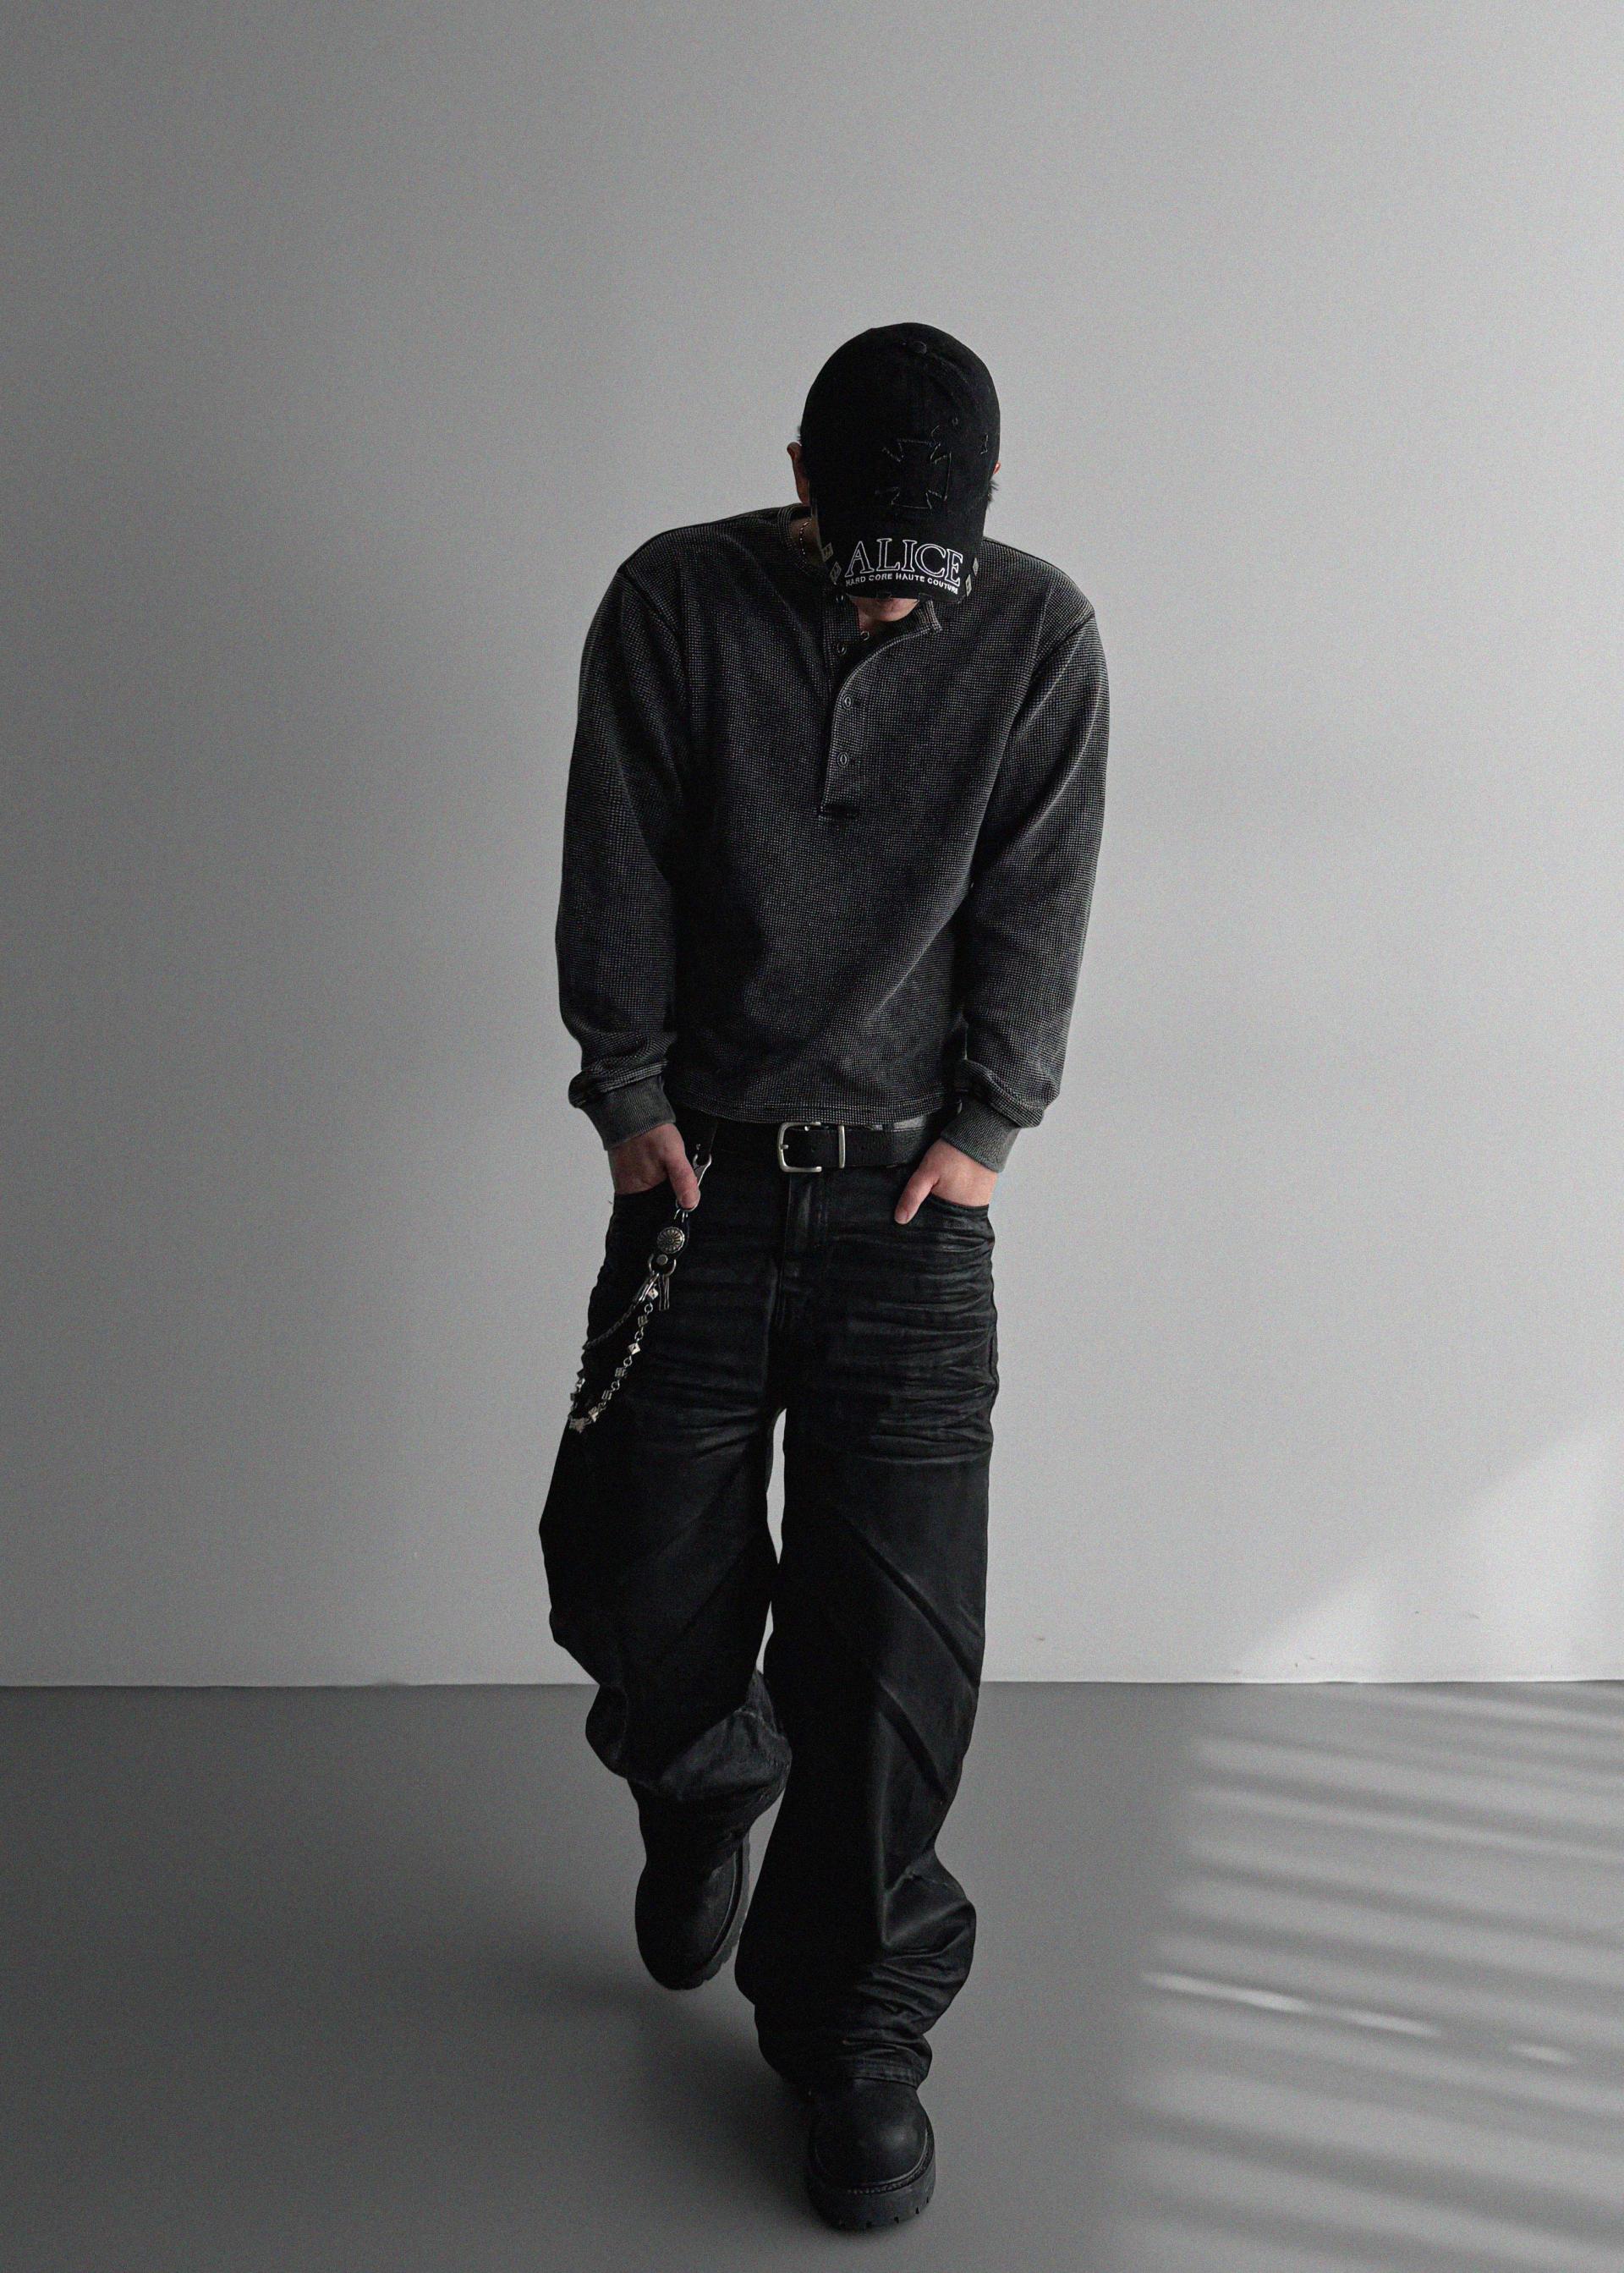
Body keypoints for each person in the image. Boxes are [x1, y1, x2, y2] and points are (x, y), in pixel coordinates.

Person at [540, 321, 1108, 2230]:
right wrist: (629, 1098)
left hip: (910, 1218)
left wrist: (993, 1125)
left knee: (893, 1655)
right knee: (635, 1569)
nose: (886, 605)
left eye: (921, 571)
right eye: (859, 559)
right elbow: (617, 854)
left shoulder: (1039, 636)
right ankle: (703, 1781)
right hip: (697, 1186)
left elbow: (1037, 894)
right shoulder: (674, 603)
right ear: (798, 476)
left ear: (983, 518)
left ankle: (856, 2031)